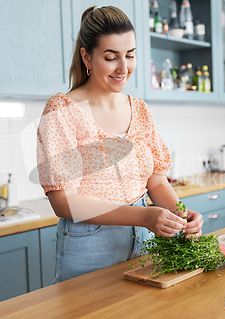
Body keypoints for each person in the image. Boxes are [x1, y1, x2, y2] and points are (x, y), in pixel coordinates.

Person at [37, 5, 203, 284]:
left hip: (145, 238)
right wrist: (143, 216)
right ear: (86, 56)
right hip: (88, 244)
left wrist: (181, 214)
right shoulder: (62, 110)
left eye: (130, 55)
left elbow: (157, 181)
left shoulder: (139, 109)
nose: (123, 68)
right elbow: (64, 202)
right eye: (111, 57)